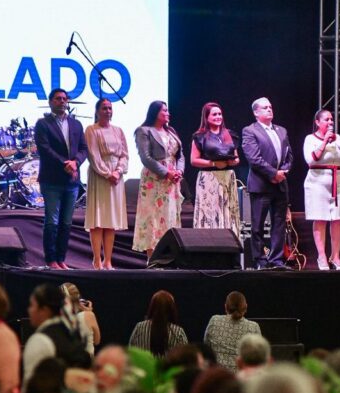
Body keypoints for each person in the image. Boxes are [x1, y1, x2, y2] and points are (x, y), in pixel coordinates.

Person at [34, 87, 89, 269]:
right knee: (52, 221)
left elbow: (83, 149)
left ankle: (61, 259)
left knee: (66, 223)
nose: (62, 101)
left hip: (71, 181)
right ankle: (51, 260)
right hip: (51, 180)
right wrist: (65, 163)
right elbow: (44, 148)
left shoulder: (76, 124)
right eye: (58, 98)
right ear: (50, 102)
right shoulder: (43, 124)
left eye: (65, 99)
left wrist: (76, 162)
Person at [241, 97, 294, 269]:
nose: (269, 109)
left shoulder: (282, 130)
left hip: (280, 184)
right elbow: (254, 158)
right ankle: (261, 261)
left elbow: (289, 156)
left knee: (279, 224)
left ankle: (276, 260)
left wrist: (282, 172)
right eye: (265, 107)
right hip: (261, 185)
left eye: (270, 107)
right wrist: (273, 174)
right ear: (256, 112)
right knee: (257, 225)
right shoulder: (250, 131)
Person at [132, 100, 184, 257]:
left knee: (169, 217)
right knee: (153, 218)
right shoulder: (144, 131)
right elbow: (146, 157)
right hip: (154, 180)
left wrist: (179, 171)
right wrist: (166, 172)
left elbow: (180, 155)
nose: (168, 113)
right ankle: (153, 259)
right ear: (155, 113)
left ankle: (169, 258)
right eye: (164, 111)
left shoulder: (171, 131)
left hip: (172, 182)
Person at [303, 109, 340, 270]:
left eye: (331, 119)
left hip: (335, 182)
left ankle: (335, 257)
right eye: (326, 119)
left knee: (337, 220)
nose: (331, 122)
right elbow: (311, 160)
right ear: (317, 122)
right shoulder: (310, 139)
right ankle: (322, 257)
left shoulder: (338, 139)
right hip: (317, 183)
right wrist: (324, 141)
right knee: (320, 219)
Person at [84, 98, 129, 270]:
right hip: (100, 176)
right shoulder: (91, 130)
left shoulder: (118, 130)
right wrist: (107, 173)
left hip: (116, 177)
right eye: (104, 108)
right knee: (98, 219)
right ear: (97, 111)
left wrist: (118, 171)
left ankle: (108, 260)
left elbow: (125, 154)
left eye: (110, 108)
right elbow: (93, 155)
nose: (108, 111)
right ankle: (97, 259)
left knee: (111, 220)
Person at [190, 102, 242, 239]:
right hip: (209, 178)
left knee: (228, 211)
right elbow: (194, 160)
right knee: (210, 213)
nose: (218, 116)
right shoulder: (199, 136)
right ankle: (209, 242)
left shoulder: (229, 134)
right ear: (206, 117)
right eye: (214, 114)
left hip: (227, 178)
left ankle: (229, 242)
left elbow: (237, 158)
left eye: (220, 114)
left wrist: (233, 161)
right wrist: (213, 163)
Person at [23, 283, 91, 379]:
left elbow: (31, 383)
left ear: (45, 310)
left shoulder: (40, 340)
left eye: (32, 305)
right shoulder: (71, 336)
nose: (29, 310)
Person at [204, 291, 261, 372]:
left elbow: (206, 347)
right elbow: (258, 356)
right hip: (242, 377)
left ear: (225, 307)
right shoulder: (253, 327)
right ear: (246, 307)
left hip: (217, 374)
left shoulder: (214, 320)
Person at [129, 290, 189, 357]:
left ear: (152, 307)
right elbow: (186, 358)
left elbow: (130, 353)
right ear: (172, 309)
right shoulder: (178, 333)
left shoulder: (139, 328)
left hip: (142, 364)